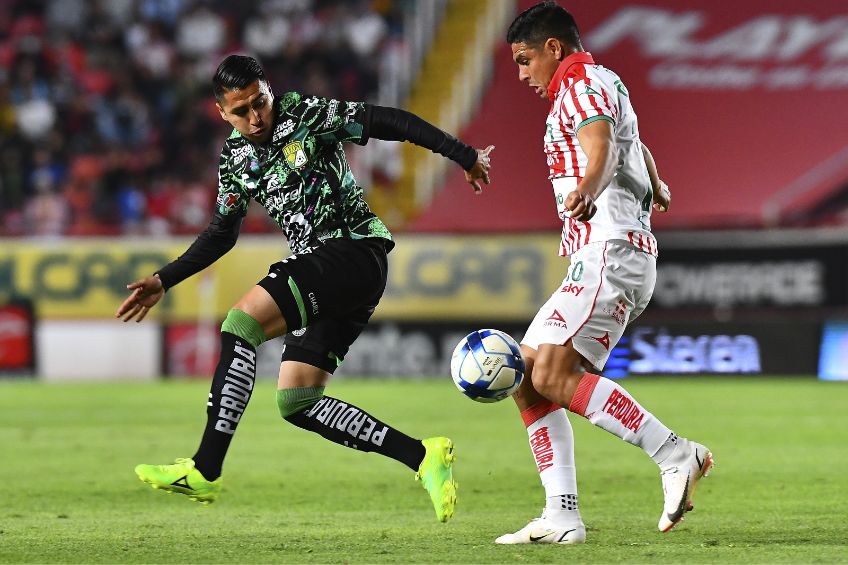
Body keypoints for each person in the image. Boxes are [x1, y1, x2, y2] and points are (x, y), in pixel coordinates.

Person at [117, 54, 494, 523]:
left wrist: (463, 155)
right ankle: (423, 456)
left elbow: (386, 120)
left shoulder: (306, 115)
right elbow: (222, 232)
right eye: (241, 111)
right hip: (335, 273)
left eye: (261, 102)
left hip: (351, 252)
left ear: (270, 91)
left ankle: (205, 468)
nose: (256, 117)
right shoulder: (235, 158)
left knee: (240, 324)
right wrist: (163, 279)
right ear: (222, 113)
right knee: (297, 401)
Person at [495, 2, 713, 544]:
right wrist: (655, 184)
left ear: (553, 48)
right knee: (526, 376)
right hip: (603, 254)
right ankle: (561, 515)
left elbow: (603, 146)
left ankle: (676, 454)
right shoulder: (603, 80)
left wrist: (589, 190)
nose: (522, 75)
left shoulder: (579, 85)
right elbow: (631, 141)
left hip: (608, 251)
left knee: (550, 377)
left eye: (525, 61)